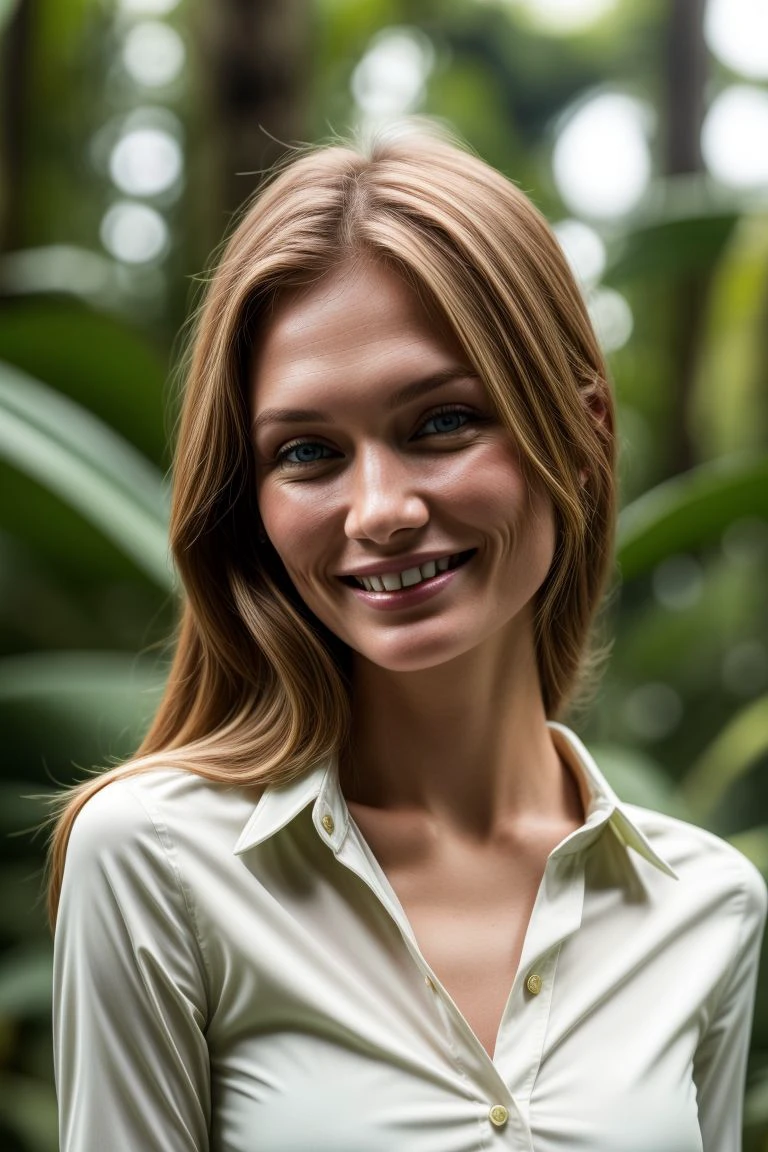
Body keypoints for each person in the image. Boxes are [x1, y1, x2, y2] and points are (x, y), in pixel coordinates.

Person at [50, 121, 766, 1152]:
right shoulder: (156, 862)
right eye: (307, 452)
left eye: (441, 424)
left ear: (584, 433)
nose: (378, 509)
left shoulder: (708, 907)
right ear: (250, 499)